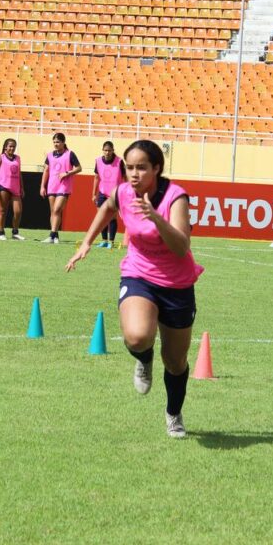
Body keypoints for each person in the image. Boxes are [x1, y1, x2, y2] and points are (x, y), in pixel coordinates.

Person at [65, 139, 203, 439]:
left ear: (157, 168)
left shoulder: (176, 197)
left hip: (177, 284)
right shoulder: (123, 191)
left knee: (176, 361)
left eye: (142, 167)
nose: (134, 174)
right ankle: (143, 359)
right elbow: (107, 208)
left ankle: (173, 413)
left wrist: (155, 216)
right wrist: (86, 243)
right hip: (138, 274)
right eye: (129, 167)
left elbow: (181, 247)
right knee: (138, 336)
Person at [39, 132, 81, 244]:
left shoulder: (70, 154)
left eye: (58, 142)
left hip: (64, 186)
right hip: (52, 185)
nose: (55, 144)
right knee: (53, 212)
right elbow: (46, 171)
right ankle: (55, 235)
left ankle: (51, 236)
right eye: (54, 142)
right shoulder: (49, 155)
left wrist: (67, 173)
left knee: (57, 209)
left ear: (63, 142)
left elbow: (79, 168)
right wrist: (42, 186)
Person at [92, 140, 126, 249]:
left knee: (112, 217)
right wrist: (94, 194)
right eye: (105, 150)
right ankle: (104, 240)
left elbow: (125, 177)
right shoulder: (98, 161)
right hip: (102, 193)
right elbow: (96, 178)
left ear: (113, 151)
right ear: (102, 150)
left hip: (115, 194)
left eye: (109, 150)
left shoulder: (119, 161)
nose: (107, 152)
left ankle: (111, 241)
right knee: (101, 217)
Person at [0, 138, 26, 241]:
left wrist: (22, 187)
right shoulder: (0, 158)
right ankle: (1, 232)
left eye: (14, 146)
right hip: (4, 187)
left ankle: (15, 232)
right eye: (10, 146)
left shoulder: (18, 158)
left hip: (15, 187)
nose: (12, 148)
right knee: (3, 211)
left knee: (18, 211)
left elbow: (19, 173)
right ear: (5, 147)